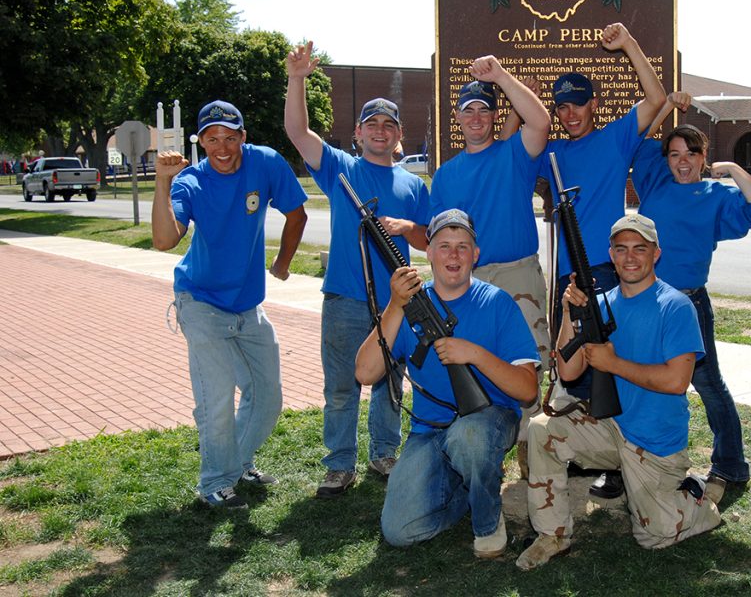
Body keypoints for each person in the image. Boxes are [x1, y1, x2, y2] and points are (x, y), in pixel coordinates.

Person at [516, 214, 721, 570]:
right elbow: (568, 370)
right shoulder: (603, 303)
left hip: (655, 444)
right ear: (611, 254)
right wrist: (569, 312)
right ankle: (553, 535)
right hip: (611, 429)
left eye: (640, 249)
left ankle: (699, 502)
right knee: (541, 430)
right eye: (622, 249)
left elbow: (676, 381)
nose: (630, 257)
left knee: (653, 536)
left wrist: (613, 364)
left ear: (656, 254)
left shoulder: (675, 306)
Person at [284, 41, 430, 497]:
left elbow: (431, 238)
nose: (380, 131)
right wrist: (296, 79)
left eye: (389, 124)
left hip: (396, 302)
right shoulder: (341, 169)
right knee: (342, 387)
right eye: (372, 124)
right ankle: (339, 464)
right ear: (359, 132)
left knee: (390, 382)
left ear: (399, 133)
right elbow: (297, 132)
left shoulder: (413, 184)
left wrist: (408, 227)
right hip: (346, 298)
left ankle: (384, 454)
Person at [355, 209, 539, 558]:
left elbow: (529, 391)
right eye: (443, 246)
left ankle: (488, 524)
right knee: (399, 530)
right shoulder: (407, 305)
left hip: (490, 420)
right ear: (429, 253)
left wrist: (474, 354)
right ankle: (470, 490)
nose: (453, 255)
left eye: (462, 246)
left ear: (476, 254)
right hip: (428, 430)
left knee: (470, 436)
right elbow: (364, 373)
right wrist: (395, 305)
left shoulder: (497, 303)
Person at [152, 100, 308, 509]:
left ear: (243, 136)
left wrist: (283, 262)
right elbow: (165, 240)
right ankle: (215, 483)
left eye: (230, 137)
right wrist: (162, 183)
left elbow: (297, 214)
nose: (222, 147)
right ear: (200, 141)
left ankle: (237, 462)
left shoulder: (266, 163)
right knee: (217, 397)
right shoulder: (190, 182)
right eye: (211, 139)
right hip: (200, 301)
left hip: (247, 304)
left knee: (267, 395)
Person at [540, 22, 666, 499]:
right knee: (570, 363)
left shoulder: (615, 139)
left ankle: (619, 461)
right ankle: (581, 447)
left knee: (611, 364)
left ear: (594, 104)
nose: (570, 113)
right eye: (561, 105)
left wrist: (629, 44)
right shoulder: (550, 151)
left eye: (578, 103)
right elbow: (517, 142)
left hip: (608, 271)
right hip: (566, 273)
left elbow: (654, 100)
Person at [630, 92, 751, 502]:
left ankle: (730, 464)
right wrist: (667, 104)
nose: (682, 160)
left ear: (702, 155)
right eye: (674, 153)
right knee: (639, 380)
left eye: (691, 153)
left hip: (689, 305)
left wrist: (730, 167)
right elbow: (640, 135)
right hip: (647, 301)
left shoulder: (716, 196)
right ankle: (637, 459)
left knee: (708, 384)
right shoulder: (654, 180)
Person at [429, 57, 551, 477]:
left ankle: (535, 472)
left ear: (494, 116)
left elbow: (539, 121)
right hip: (470, 281)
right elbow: (441, 239)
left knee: (527, 369)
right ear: (458, 119)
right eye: (469, 110)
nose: (476, 117)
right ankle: (483, 460)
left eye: (484, 109)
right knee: (478, 368)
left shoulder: (514, 153)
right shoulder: (445, 175)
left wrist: (500, 76)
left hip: (518, 275)